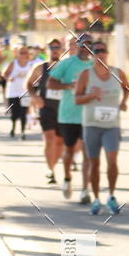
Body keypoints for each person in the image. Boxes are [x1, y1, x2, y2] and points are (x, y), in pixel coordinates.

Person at [75, 39, 129, 215]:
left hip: (112, 125)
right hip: (91, 124)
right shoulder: (85, 74)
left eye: (103, 51)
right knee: (94, 163)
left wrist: (123, 102)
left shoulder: (117, 73)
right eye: (96, 51)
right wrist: (90, 95)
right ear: (92, 55)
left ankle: (112, 196)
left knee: (112, 161)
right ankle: (97, 198)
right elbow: (77, 99)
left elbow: (127, 88)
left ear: (107, 53)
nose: (100, 54)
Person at [47, 32, 93, 203]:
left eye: (89, 44)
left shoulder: (96, 65)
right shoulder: (67, 64)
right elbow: (50, 83)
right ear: (78, 46)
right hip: (68, 115)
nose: (85, 48)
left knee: (88, 153)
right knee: (69, 150)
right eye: (83, 44)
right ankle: (67, 178)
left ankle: (85, 189)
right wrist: (68, 85)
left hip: (88, 116)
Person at [27, 39, 64, 184]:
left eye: (57, 47)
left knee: (60, 142)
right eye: (52, 47)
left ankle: (54, 165)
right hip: (46, 108)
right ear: (47, 50)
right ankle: (51, 171)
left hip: (63, 109)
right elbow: (29, 83)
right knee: (49, 139)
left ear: (61, 49)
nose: (55, 49)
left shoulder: (66, 67)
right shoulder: (40, 68)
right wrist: (35, 97)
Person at [3, 45, 31, 139]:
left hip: (25, 92)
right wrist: (9, 78)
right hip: (13, 92)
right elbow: (5, 74)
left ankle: (23, 132)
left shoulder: (30, 64)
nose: (23, 55)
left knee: (23, 112)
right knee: (14, 113)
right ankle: (13, 126)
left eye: (25, 52)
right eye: (21, 53)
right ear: (17, 54)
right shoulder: (13, 63)